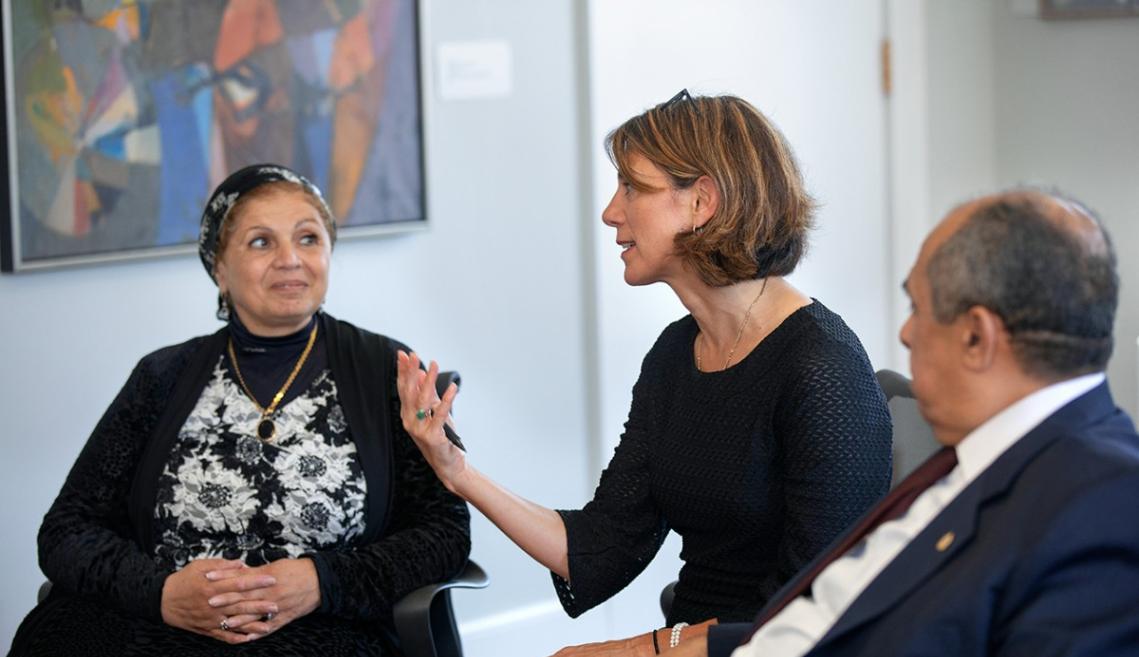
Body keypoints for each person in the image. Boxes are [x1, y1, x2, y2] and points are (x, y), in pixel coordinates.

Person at [397, 91, 893, 651]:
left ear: (702, 201)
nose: (611, 211)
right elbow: (604, 546)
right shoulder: (676, 354)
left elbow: (816, 612)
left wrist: (645, 649)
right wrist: (457, 470)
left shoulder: (823, 369)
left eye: (632, 187)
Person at [9, 164, 471, 656]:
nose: (290, 259)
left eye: (308, 238)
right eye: (260, 242)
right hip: (157, 619)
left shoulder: (388, 371)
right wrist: (161, 592)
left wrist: (322, 581)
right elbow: (66, 530)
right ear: (220, 269)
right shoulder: (162, 377)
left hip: (319, 627)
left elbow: (445, 533)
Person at [661, 188, 1139, 657]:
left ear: (976, 337)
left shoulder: (1105, 508)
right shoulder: (980, 457)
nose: (906, 334)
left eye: (918, 308)